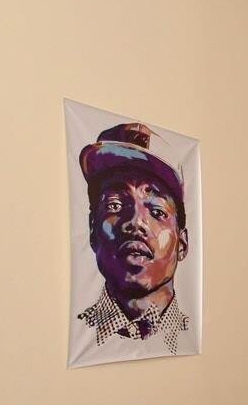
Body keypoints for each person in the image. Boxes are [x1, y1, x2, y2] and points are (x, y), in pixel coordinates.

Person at [76, 122, 190, 354]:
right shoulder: (79, 331)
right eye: (115, 205)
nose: (136, 222)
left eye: (157, 211)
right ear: (92, 230)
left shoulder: (190, 333)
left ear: (182, 243)